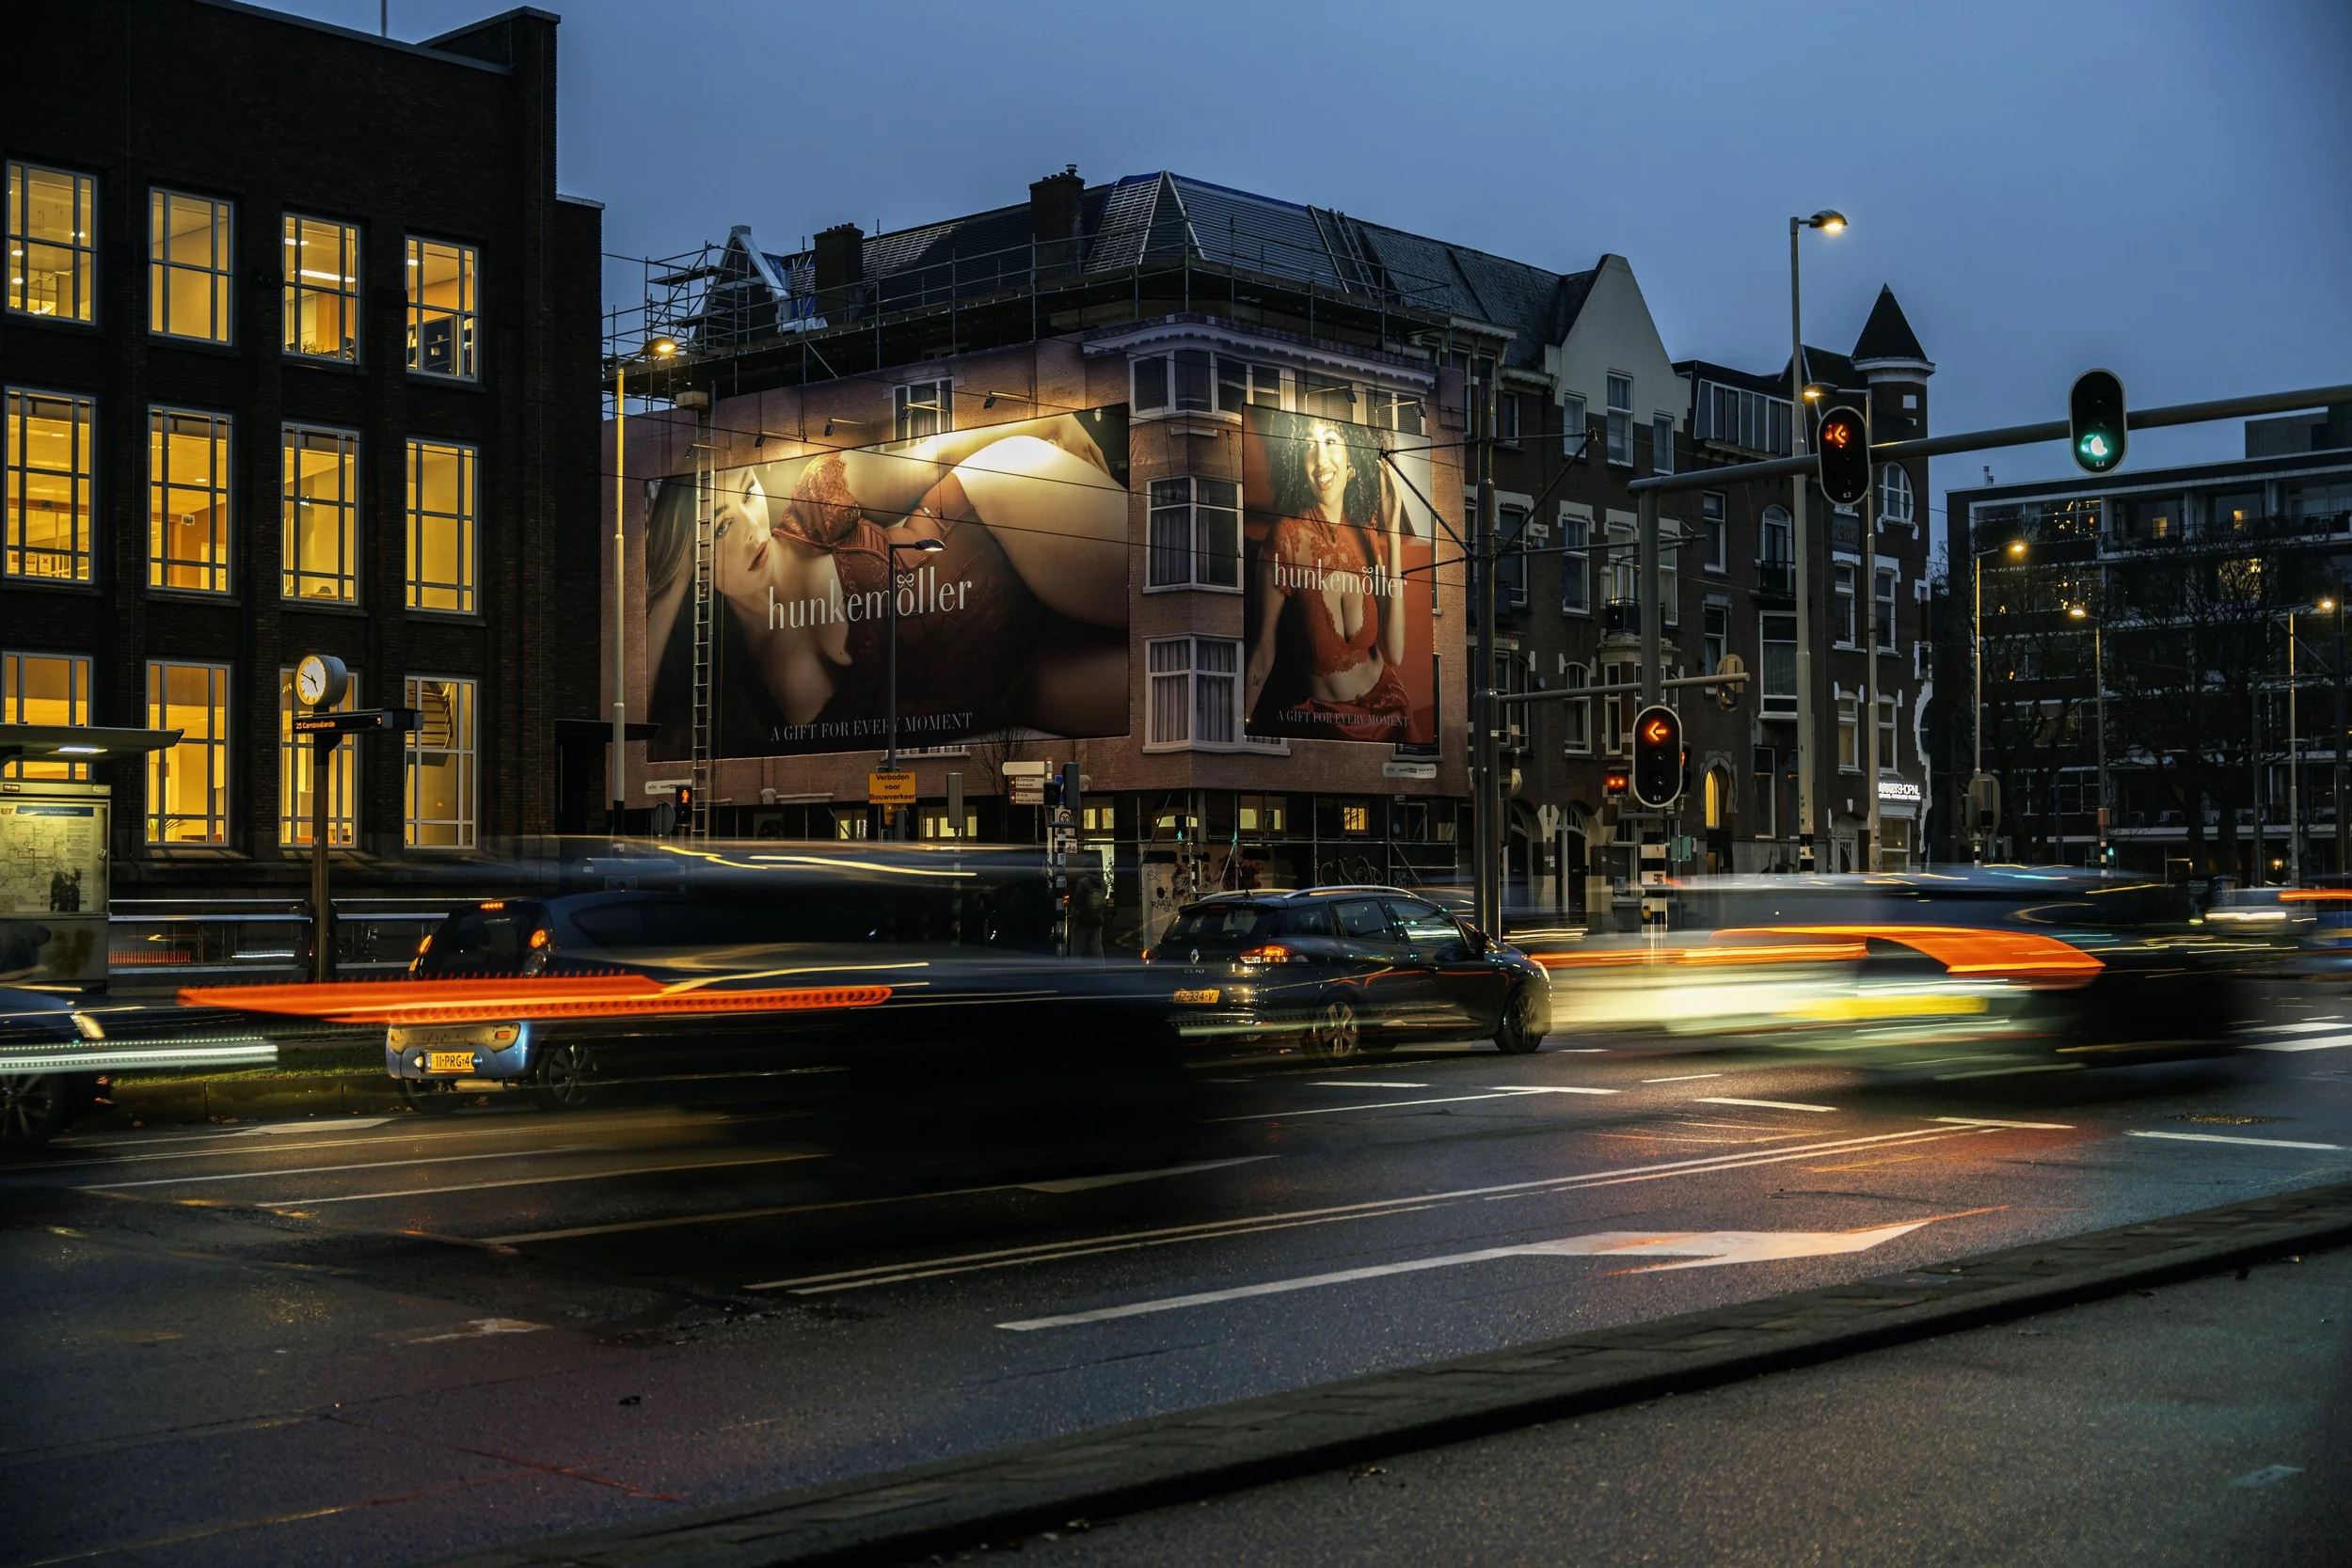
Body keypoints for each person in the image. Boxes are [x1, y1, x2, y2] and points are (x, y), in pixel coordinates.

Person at [1242, 413, 1427, 743]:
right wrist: (1237, 730)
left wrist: (1393, 532)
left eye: (1330, 441)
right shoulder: (1286, 538)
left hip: (1388, 713)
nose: (1319, 458)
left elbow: (1394, 652)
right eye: (1309, 446)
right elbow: (1262, 652)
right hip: (1325, 724)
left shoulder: (1366, 535)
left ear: (1352, 463)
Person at [1068, 869, 1107, 960]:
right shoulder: (1102, 884)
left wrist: (1072, 916)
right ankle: (1101, 969)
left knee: (1076, 949)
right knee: (1097, 948)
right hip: (1097, 919)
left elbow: (1078, 902)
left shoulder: (1083, 883)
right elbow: (1103, 902)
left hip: (1083, 920)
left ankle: (1074, 970)